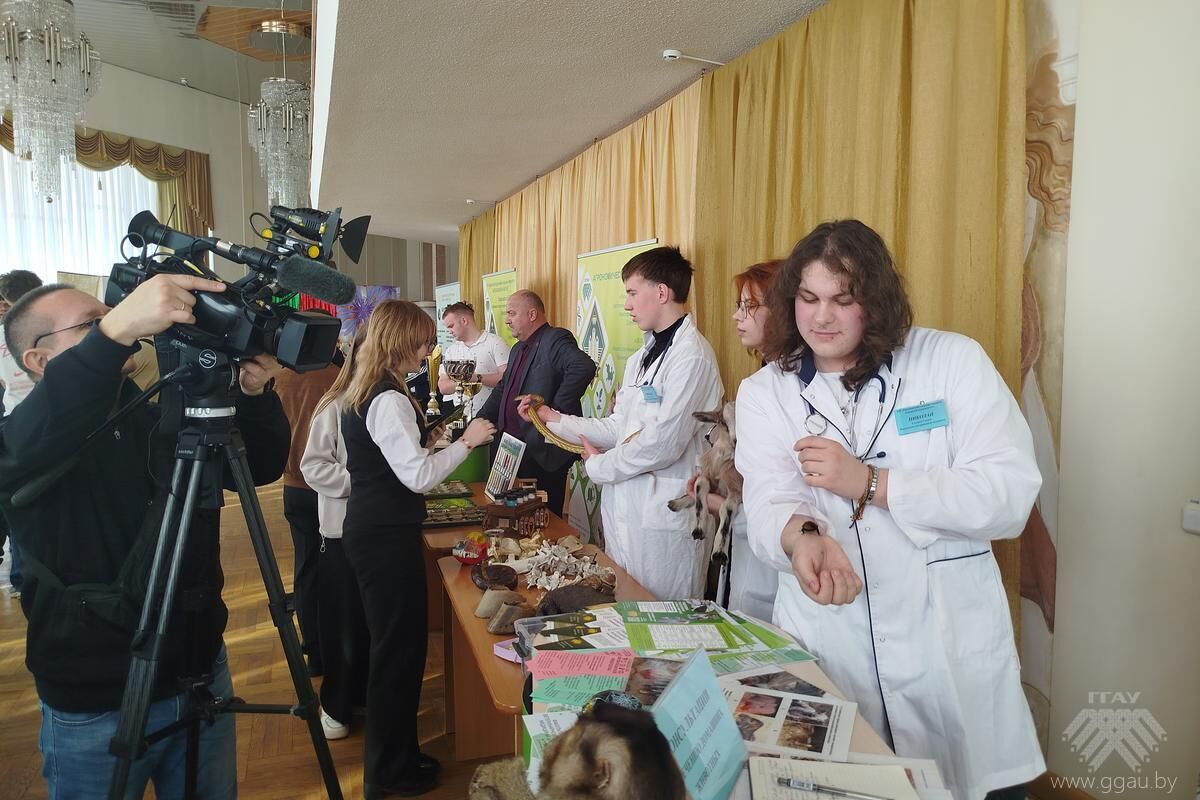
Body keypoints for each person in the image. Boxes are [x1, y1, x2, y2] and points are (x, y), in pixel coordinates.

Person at [736, 220, 1043, 799]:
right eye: (808, 299)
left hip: (944, 646)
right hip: (832, 637)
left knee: (968, 784)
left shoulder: (950, 361)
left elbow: (1008, 493)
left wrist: (872, 483)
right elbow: (772, 493)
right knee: (848, 780)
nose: (822, 318)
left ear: (875, 300)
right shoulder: (767, 392)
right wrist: (803, 537)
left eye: (842, 300)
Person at [0, 275, 289, 799]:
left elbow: (259, 467)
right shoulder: (21, 440)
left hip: (198, 669)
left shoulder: (156, 418)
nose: (117, 325)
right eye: (92, 325)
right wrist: (112, 334)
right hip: (95, 695)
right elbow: (39, 434)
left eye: (110, 316)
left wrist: (253, 396)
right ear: (39, 360)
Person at [339, 299, 496, 798]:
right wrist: (467, 442)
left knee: (400, 651)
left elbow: (395, 459)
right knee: (396, 654)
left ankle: (400, 757)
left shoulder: (372, 388)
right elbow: (417, 477)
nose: (429, 351)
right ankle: (389, 772)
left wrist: (429, 438)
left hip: (378, 531)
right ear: (400, 340)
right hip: (383, 537)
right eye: (425, 342)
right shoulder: (386, 397)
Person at [524, 247, 723, 599]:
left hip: (665, 519)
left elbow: (664, 443)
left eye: (632, 293)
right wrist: (554, 419)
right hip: (627, 513)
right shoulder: (640, 359)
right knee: (626, 612)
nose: (627, 305)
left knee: (664, 619)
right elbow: (619, 428)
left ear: (661, 292)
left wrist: (599, 466)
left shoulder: (692, 357)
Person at [689, 259, 784, 620]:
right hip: (750, 549)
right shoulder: (763, 380)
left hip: (774, 560)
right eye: (738, 305)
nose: (736, 316)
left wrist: (721, 505)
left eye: (749, 306)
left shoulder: (781, 389)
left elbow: (778, 492)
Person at [300, 332, 370, 740]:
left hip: (379, 530)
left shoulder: (390, 400)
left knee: (370, 624)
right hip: (341, 530)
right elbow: (313, 466)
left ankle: (364, 695)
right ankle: (337, 704)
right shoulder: (335, 404)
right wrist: (362, 482)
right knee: (344, 622)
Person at [476, 290, 595, 517]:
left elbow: (583, 367)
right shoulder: (517, 348)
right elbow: (503, 389)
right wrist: (478, 420)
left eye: (512, 313)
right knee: (513, 518)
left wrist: (553, 412)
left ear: (532, 315)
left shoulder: (555, 338)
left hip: (542, 450)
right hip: (512, 450)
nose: (507, 320)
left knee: (544, 521)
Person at [275, 359, 341, 677]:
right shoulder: (338, 375)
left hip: (293, 484)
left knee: (306, 566)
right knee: (336, 567)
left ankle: (313, 649)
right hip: (331, 484)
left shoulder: (280, 376)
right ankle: (336, 647)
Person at [0, 269, 44, 599]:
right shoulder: (48, 327)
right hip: (44, 420)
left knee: (19, 503)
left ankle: (21, 578)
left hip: (17, 423)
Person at [436, 301, 510, 414]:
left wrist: (478, 378)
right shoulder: (451, 350)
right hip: (460, 416)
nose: (449, 331)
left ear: (464, 321)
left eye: (451, 326)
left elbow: (507, 379)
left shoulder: (496, 343)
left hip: (491, 415)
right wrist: (464, 380)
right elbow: (442, 387)